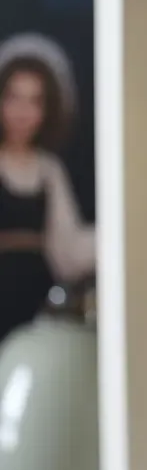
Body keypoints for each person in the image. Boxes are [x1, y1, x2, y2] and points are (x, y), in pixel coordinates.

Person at [0, 34, 95, 343]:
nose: (22, 112)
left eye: (34, 101)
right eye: (13, 97)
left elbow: (67, 246)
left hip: (38, 301)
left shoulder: (49, 169)